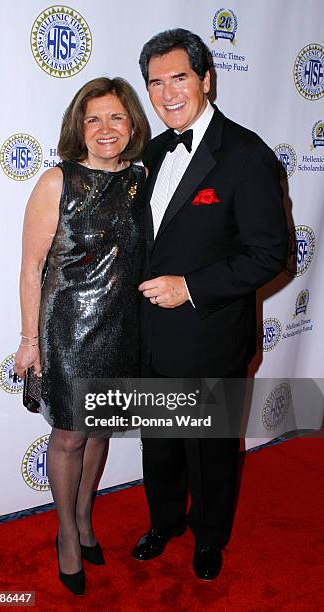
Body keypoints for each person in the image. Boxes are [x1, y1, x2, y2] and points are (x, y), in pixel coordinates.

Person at [132, 29, 288, 580]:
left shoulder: (246, 154)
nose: (168, 92)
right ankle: (166, 520)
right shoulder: (150, 152)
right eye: (156, 82)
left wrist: (191, 286)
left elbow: (270, 253)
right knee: (162, 443)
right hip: (151, 336)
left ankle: (210, 538)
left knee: (212, 451)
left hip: (211, 333)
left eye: (179, 77)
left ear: (205, 78)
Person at [14, 77, 150, 595]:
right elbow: (31, 268)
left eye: (116, 117)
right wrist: (30, 341)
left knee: (99, 431)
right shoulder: (58, 181)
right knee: (70, 434)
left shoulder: (140, 180)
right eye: (93, 118)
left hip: (122, 326)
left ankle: (87, 517)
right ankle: (66, 533)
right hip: (68, 329)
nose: (105, 128)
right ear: (79, 126)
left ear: (132, 123)